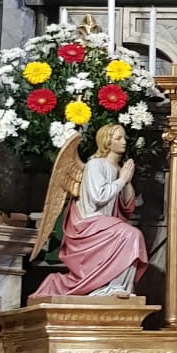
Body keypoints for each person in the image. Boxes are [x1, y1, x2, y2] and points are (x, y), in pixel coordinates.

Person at [33, 123, 147, 300]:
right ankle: (110, 287)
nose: (124, 141)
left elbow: (127, 206)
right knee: (131, 234)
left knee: (131, 235)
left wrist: (126, 180)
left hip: (106, 224)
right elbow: (99, 196)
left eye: (124, 137)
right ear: (107, 142)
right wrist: (122, 180)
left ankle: (117, 286)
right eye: (118, 138)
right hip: (88, 224)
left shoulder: (118, 168)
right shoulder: (95, 164)